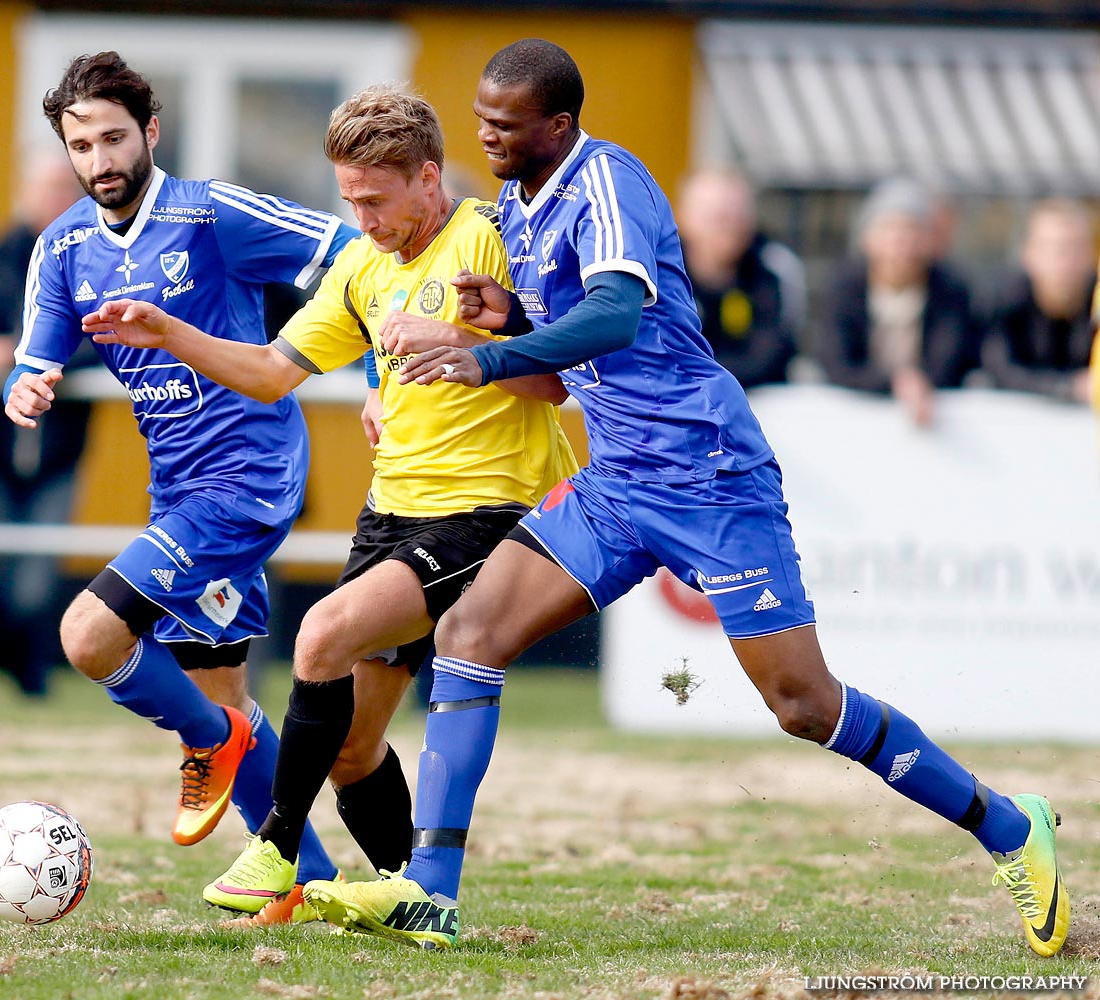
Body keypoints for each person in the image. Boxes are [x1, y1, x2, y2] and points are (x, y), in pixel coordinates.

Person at [303, 39, 1069, 957]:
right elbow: (567, 331)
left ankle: (1009, 828)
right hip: (619, 479)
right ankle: (431, 889)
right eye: (480, 121)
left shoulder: (608, 182)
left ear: (558, 124)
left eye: (503, 127)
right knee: (469, 635)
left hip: (708, 476)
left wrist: (488, 354)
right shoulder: (515, 205)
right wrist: (503, 318)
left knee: (801, 705)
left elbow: (617, 315)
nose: (486, 138)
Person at [86, 84, 575, 925]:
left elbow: (565, 376)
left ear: (429, 177)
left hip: (491, 512)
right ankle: (416, 906)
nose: (363, 218)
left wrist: (466, 342)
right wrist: (171, 334)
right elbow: (275, 371)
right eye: (348, 199)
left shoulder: (489, 242)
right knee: (351, 747)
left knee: (319, 633)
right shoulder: (360, 265)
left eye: (376, 201)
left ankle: (275, 846)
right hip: (393, 513)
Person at [3, 50, 346, 901]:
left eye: (115, 139)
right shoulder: (64, 247)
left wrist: (354, 364)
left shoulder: (209, 215)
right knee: (221, 682)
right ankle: (310, 883)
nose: (100, 163)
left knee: (89, 636)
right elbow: (34, 354)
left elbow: (348, 253)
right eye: (81, 147)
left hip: (250, 475)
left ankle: (210, 742)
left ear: (150, 132)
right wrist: (29, 384)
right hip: (179, 489)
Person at [0, 149, 95, 697]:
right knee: (3, 563)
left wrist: (23, 355)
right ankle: (3, 671)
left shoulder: (92, 257)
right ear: (25, 191)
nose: (58, 197)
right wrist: (29, 353)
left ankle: (14, 669)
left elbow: (102, 341)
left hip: (60, 446)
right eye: (49, 186)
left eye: (67, 186)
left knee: (35, 576)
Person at [820, 176, 978, 428]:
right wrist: (895, 383)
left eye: (912, 231)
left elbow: (951, 359)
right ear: (867, 238)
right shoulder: (844, 288)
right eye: (890, 230)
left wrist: (921, 384)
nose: (901, 243)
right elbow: (836, 362)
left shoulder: (951, 292)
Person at [675, 166, 803, 388]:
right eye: (718, 218)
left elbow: (771, 356)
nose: (731, 228)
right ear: (685, 218)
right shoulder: (659, 277)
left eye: (739, 216)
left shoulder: (773, 269)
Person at [981, 199, 1096, 407]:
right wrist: (1069, 387)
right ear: (1028, 253)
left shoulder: (1097, 301)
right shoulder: (1006, 302)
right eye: (1053, 249)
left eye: (1074, 248)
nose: (1064, 261)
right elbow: (999, 370)